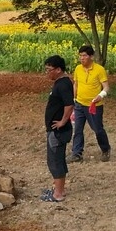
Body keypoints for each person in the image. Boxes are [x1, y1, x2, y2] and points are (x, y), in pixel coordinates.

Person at [67, 45, 112, 163]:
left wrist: (101, 95)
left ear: (91, 56)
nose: (82, 58)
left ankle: (105, 149)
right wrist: (73, 99)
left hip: (94, 106)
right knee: (77, 129)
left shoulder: (99, 70)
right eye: (80, 56)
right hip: (79, 104)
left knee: (97, 129)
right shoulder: (77, 69)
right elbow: (75, 84)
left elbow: (106, 87)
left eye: (85, 55)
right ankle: (77, 154)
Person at [40, 55, 74, 202]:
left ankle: (58, 194)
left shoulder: (64, 84)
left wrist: (62, 121)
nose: (47, 73)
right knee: (56, 159)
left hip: (58, 131)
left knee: (55, 160)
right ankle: (58, 189)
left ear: (58, 69)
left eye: (49, 70)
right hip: (54, 129)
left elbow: (69, 104)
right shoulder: (59, 83)